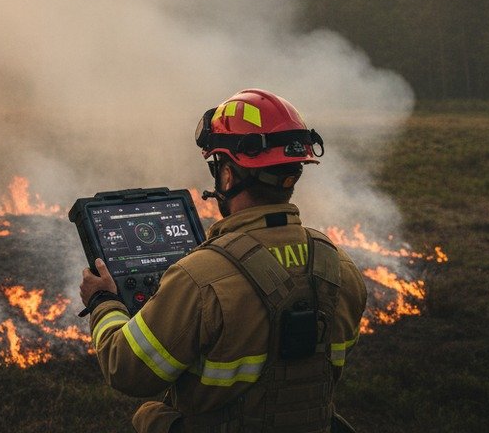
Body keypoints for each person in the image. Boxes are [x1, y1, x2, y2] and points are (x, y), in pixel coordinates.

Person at [79, 88, 368, 433]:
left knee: (151, 416)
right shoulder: (339, 267)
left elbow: (126, 369)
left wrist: (103, 301)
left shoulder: (199, 278)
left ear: (228, 175)